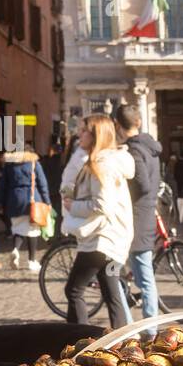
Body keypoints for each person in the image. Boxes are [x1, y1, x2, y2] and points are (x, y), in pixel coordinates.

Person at [61, 114, 134, 329]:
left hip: (101, 240)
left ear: (95, 135)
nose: (79, 134)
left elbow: (103, 204)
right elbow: (68, 182)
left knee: (73, 290)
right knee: (112, 292)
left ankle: (79, 339)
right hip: (111, 239)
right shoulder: (100, 161)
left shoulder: (102, 165)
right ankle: (123, 343)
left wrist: (72, 206)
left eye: (84, 131)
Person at [115, 104, 163, 322]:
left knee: (140, 276)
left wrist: (121, 194)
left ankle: (147, 326)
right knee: (140, 274)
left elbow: (141, 183)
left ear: (118, 125)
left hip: (135, 217)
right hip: (145, 213)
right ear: (139, 122)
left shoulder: (133, 149)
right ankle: (143, 322)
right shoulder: (150, 147)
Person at [0, 142, 50, 272]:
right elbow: (42, 184)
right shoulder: (34, 164)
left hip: (14, 200)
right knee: (32, 231)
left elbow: (2, 186)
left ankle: (15, 250)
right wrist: (47, 202)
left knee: (18, 228)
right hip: (32, 200)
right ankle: (32, 261)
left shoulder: (9, 166)